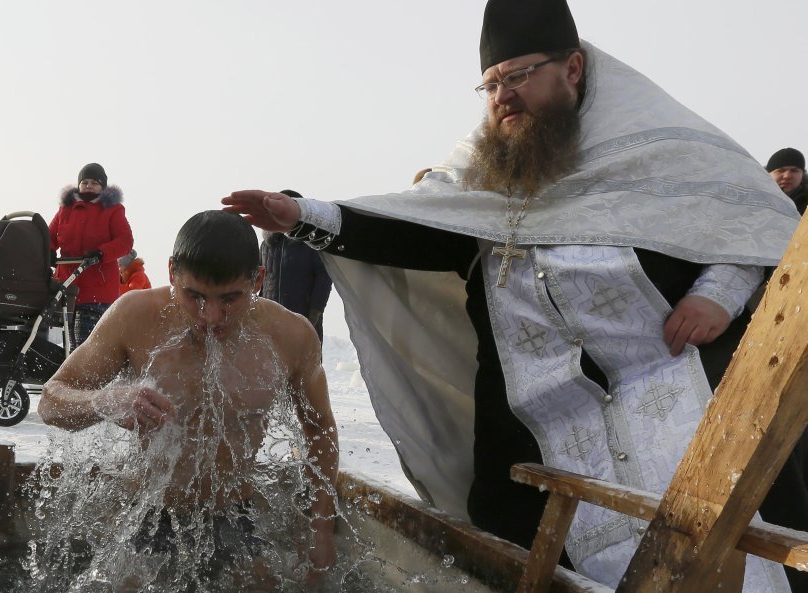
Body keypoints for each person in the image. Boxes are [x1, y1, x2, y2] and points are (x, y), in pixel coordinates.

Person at [223, 0, 805, 589]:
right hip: (536, 429)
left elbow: (755, 228)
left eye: (519, 76)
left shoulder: (659, 148)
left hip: (682, 402)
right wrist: (298, 214)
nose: (502, 96)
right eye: (491, 84)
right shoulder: (481, 172)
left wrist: (718, 293)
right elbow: (417, 226)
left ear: (572, 69)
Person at [38, 210, 338, 585]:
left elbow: (320, 431)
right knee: (130, 583)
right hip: (148, 507)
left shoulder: (291, 336)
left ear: (257, 280)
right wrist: (105, 401)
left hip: (233, 509)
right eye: (194, 296)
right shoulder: (135, 316)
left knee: (264, 583)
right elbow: (51, 400)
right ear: (171, 274)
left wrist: (321, 530)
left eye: (231, 298)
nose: (212, 316)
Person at [49, 162, 133, 348]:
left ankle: (87, 376)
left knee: (85, 343)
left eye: (94, 182)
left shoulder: (113, 211)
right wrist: (48, 250)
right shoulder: (66, 209)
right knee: (69, 343)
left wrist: (102, 252)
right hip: (68, 285)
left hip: (97, 287)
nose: (89, 186)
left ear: (102, 186)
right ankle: (70, 375)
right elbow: (50, 235)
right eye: (85, 182)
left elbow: (125, 241)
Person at [260, 190, 333, 343]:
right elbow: (260, 280)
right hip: (270, 323)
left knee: (304, 365)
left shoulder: (312, 243)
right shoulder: (266, 246)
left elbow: (324, 278)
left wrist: (315, 313)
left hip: (304, 320)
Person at [767, 148, 808, 214]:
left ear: (802, 175)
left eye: (794, 170)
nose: (787, 176)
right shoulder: (752, 202)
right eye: (781, 170)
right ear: (768, 174)